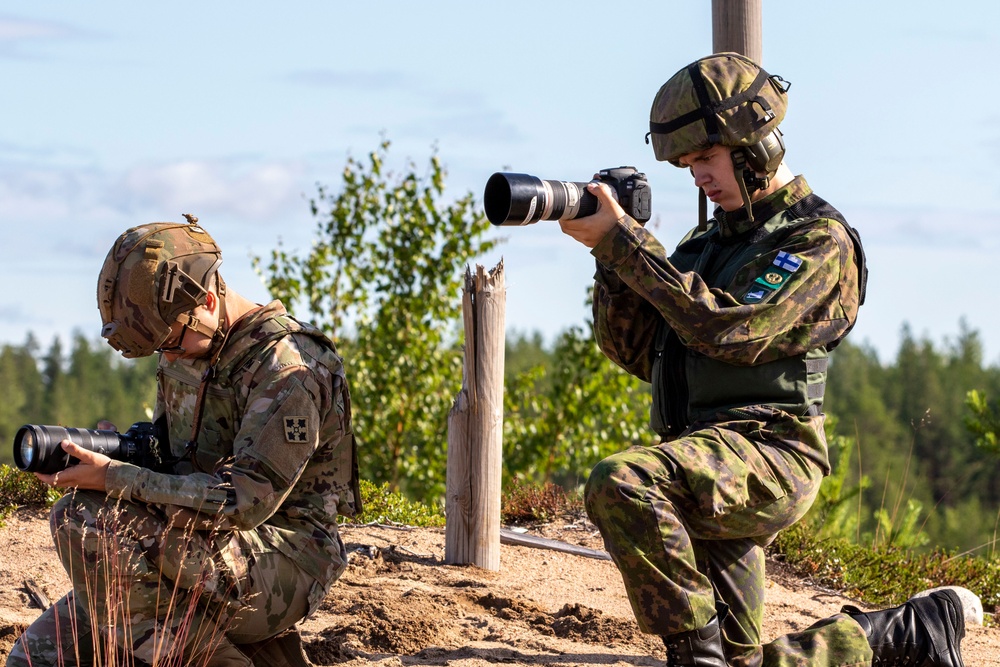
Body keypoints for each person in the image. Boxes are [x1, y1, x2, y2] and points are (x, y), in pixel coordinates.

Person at [559, 53, 972, 666]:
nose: (698, 175)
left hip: (769, 453)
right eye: (688, 164)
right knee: (744, 664)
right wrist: (611, 261)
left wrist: (629, 247)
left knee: (624, 481)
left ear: (756, 148)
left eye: (706, 157)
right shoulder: (703, 245)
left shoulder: (817, 241)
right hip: (703, 453)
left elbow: (732, 333)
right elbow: (642, 352)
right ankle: (904, 633)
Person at [9, 216, 360, 667]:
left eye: (171, 342)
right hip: (197, 537)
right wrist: (120, 453)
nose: (169, 356)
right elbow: (171, 458)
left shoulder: (288, 369)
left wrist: (117, 477)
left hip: (284, 558)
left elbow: (243, 502)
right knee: (33, 659)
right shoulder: (194, 344)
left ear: (208, 300)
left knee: (83, 519)